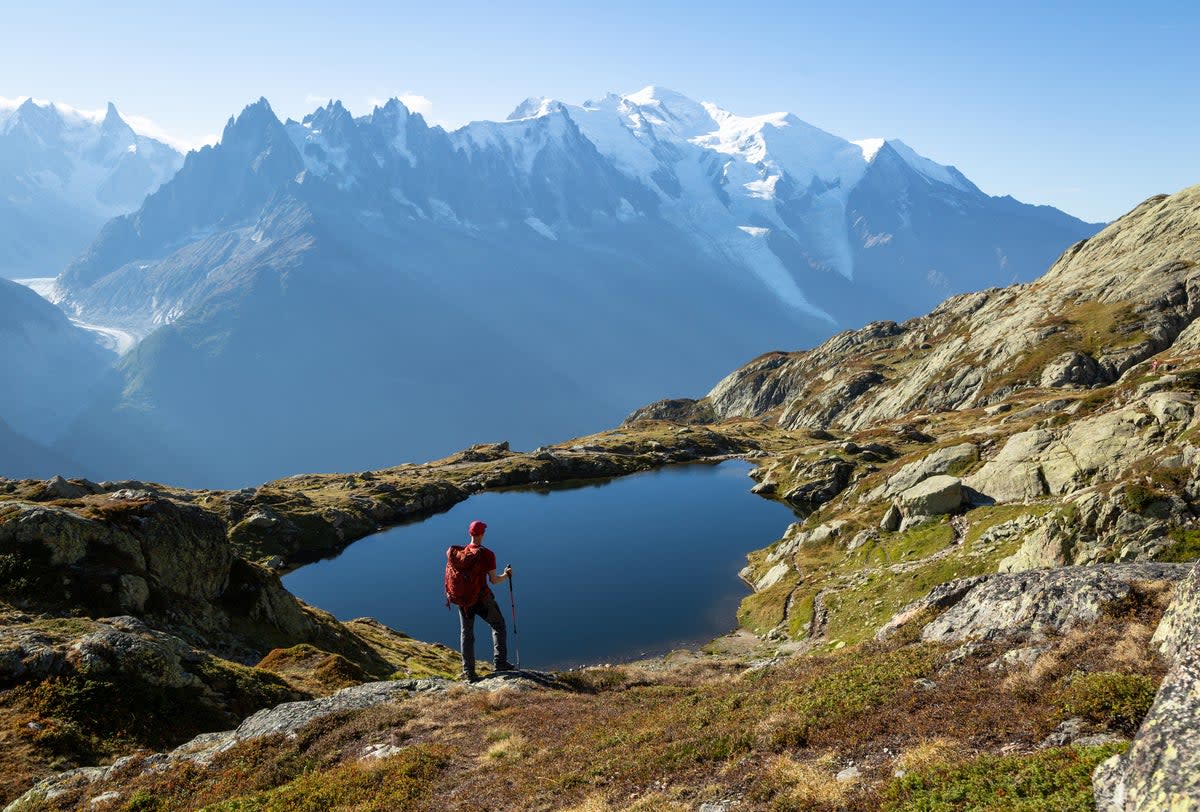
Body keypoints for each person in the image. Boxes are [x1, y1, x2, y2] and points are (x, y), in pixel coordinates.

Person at [456, 519, 514, 681]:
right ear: (482, 534)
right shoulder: (487, 554)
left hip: (463, 600)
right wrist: (507, 574)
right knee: (499, 625)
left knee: (466, 633)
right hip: (481, 599)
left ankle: (469, 671)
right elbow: (494, 581)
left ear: (470, 533)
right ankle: (500, 663)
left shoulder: (461, 554)